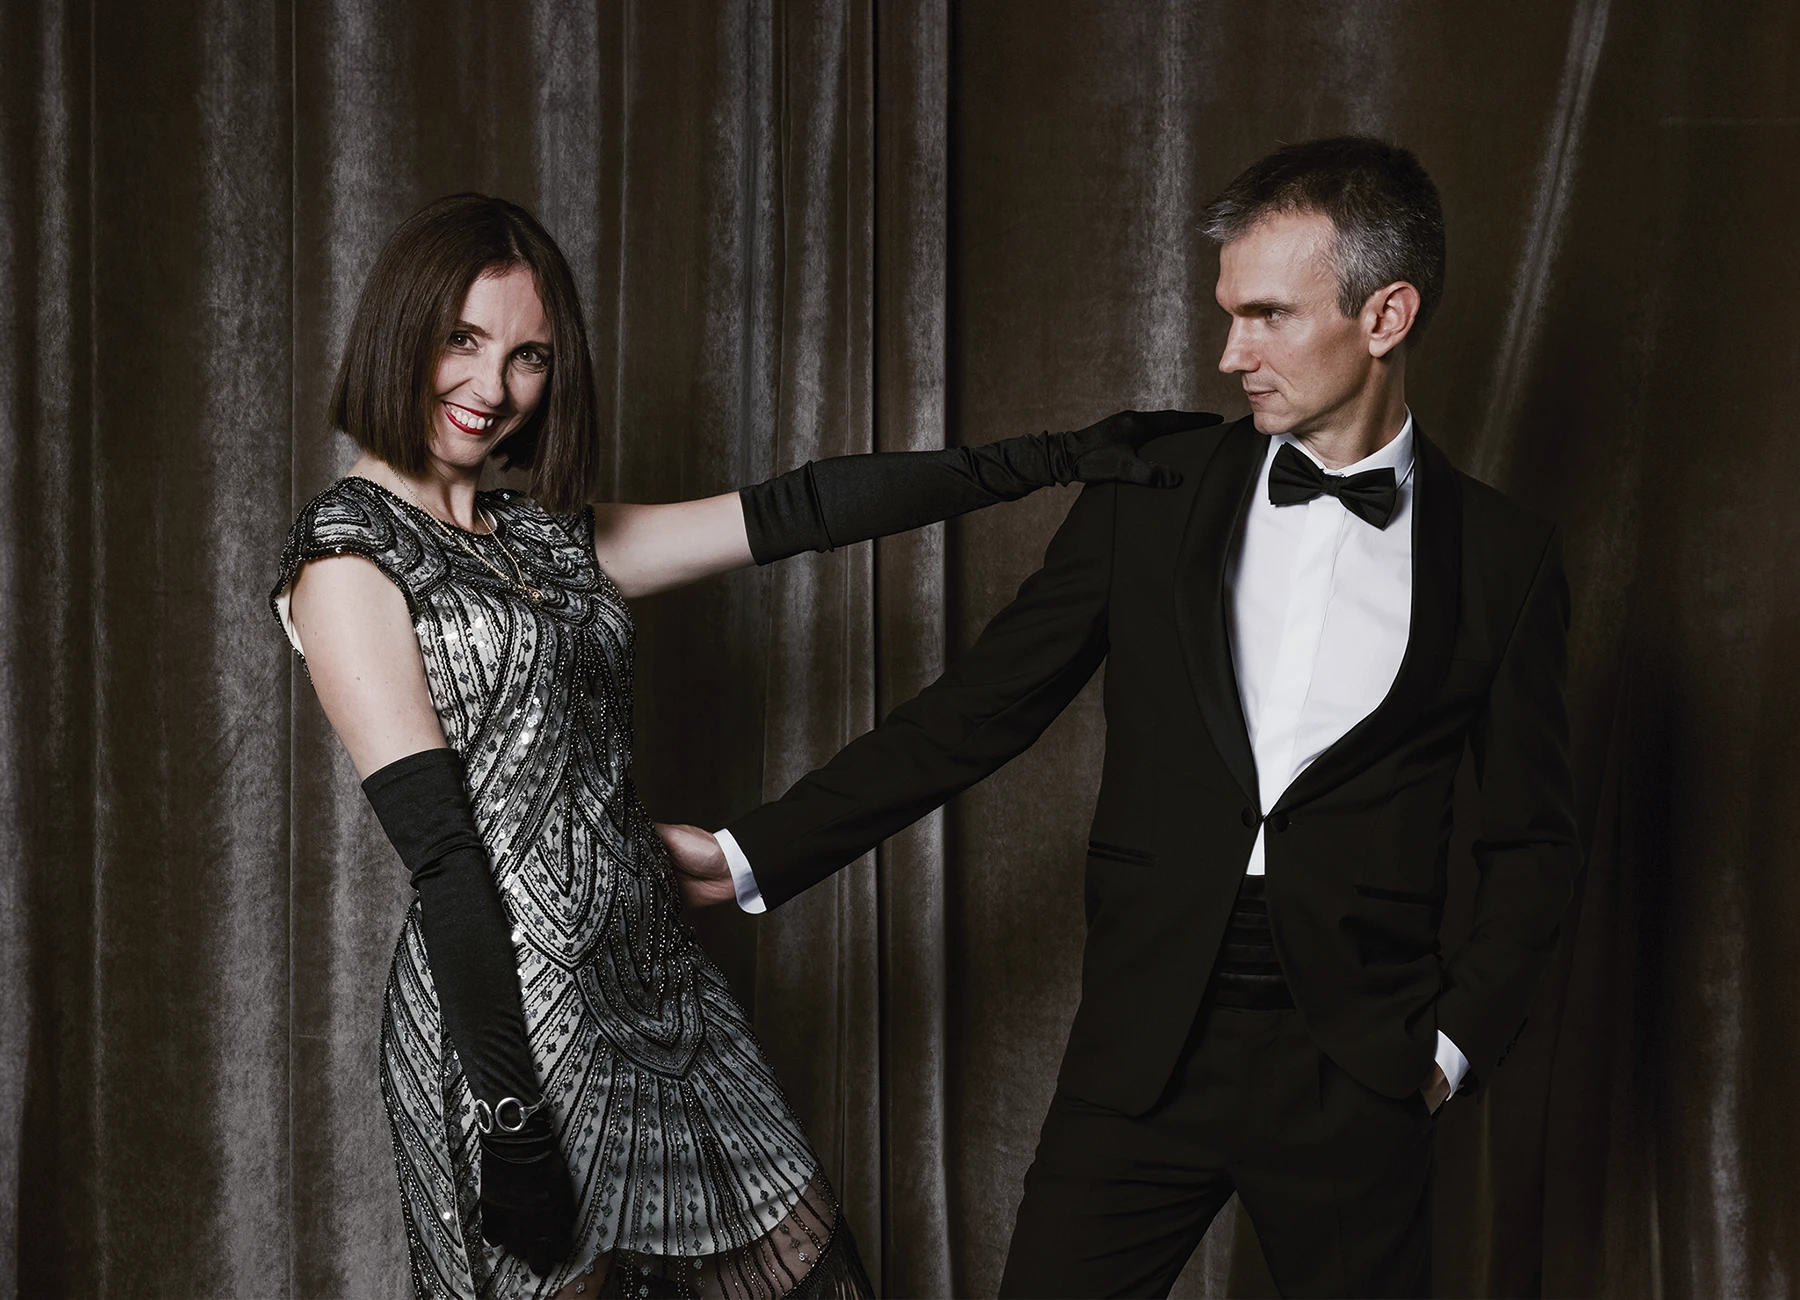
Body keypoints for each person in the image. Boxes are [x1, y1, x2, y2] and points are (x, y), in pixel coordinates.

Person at [659, 137, 1581, 1297]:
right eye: (1225, 313)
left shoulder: (1503, 558)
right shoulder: (1153, 492)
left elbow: (1536, 842)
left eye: (1266, 316)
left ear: (1386, 314)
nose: (1227, 351)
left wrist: (1446, 1050)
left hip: (1358, 1069)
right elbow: (981, 708)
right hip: (1146, 1046)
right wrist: (754, 851)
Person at [270, 191, 1212, 1300]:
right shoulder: (346, 556)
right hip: (508, 1023)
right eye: (462, 341)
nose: (492, 388)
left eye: (528, 356)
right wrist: (510, 1109)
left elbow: (795, 510)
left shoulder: (545, 536)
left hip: (656, 979)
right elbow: (443, 857)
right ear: (402, 332)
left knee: (810, 1272)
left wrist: (1048, 458)